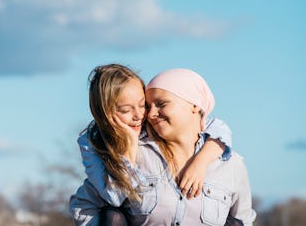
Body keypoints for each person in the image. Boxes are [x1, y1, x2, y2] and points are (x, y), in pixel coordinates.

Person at [70, 66, 256, 226]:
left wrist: (201, 161)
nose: (149, 115)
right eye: (149, 106)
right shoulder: (136, 154)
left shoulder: (231, 165)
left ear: (194, 105)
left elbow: (244, 220)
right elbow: (85, 203)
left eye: (161, 104)